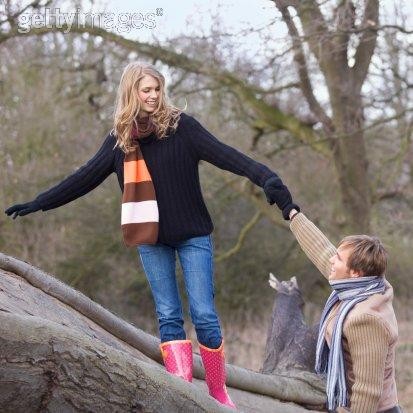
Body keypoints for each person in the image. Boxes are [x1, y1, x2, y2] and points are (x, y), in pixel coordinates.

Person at [5, 62, 299, 409]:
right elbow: (83, 179)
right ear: (132, 92)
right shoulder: (120, 141)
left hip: (193, 236)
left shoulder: (182, 128)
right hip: (151, 239)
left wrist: (267, 178)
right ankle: (182, 394)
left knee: (204, 315)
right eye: (146, 90)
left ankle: (218, 392)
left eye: (157, 89)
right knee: (169, 315)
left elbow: (228, 156)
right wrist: (39, 202)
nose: (154, 96)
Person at [288, 209, 401, 413]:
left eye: (338, 259)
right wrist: (292, 212)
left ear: (355, 273)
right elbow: (322, 251)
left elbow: (367, 391)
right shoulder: (363, 286)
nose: (332, 260)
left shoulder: (366, 319)